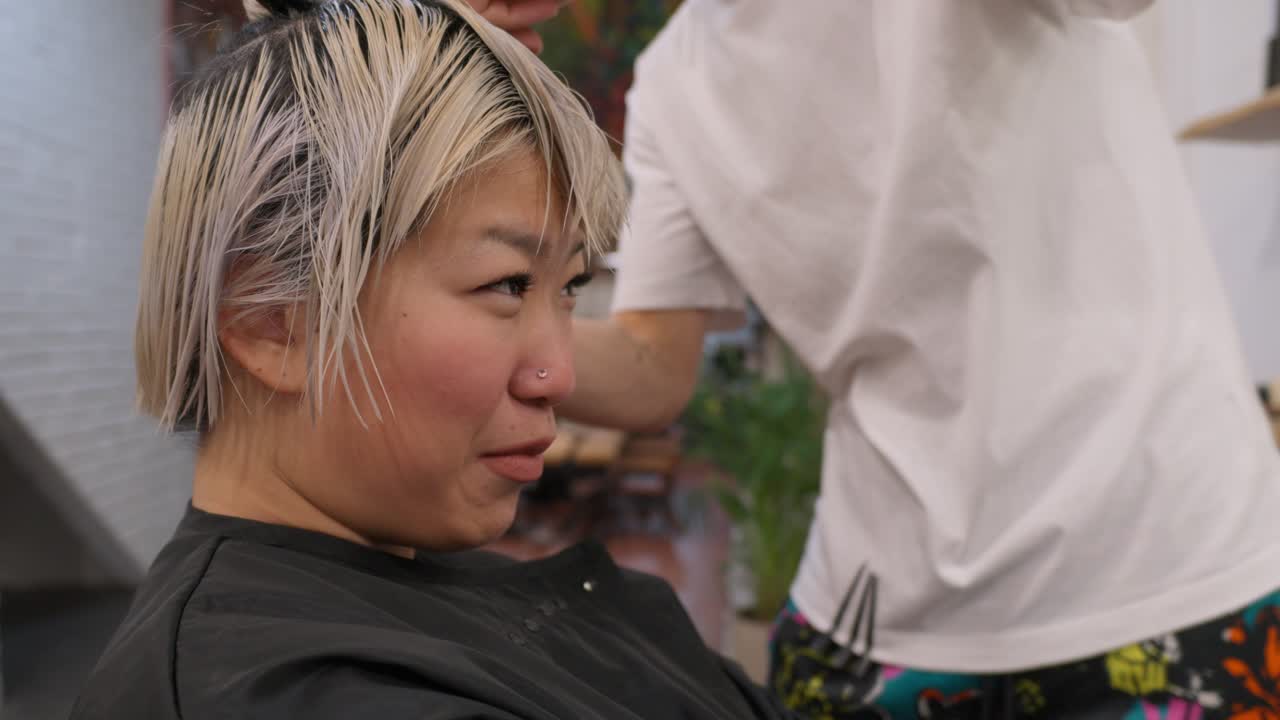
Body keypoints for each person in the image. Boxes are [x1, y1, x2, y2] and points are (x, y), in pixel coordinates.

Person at [69, 2, 795, 718]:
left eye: (569, 286)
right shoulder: (292, 691)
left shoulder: (402, 555)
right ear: (272, 323)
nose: (562, 376)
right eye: (507, 284)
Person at [561, 0, 1280, 716]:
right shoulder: (673, 81)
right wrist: (467, 322)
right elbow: (650, 368)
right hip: (882, 611)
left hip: (1165, 572)